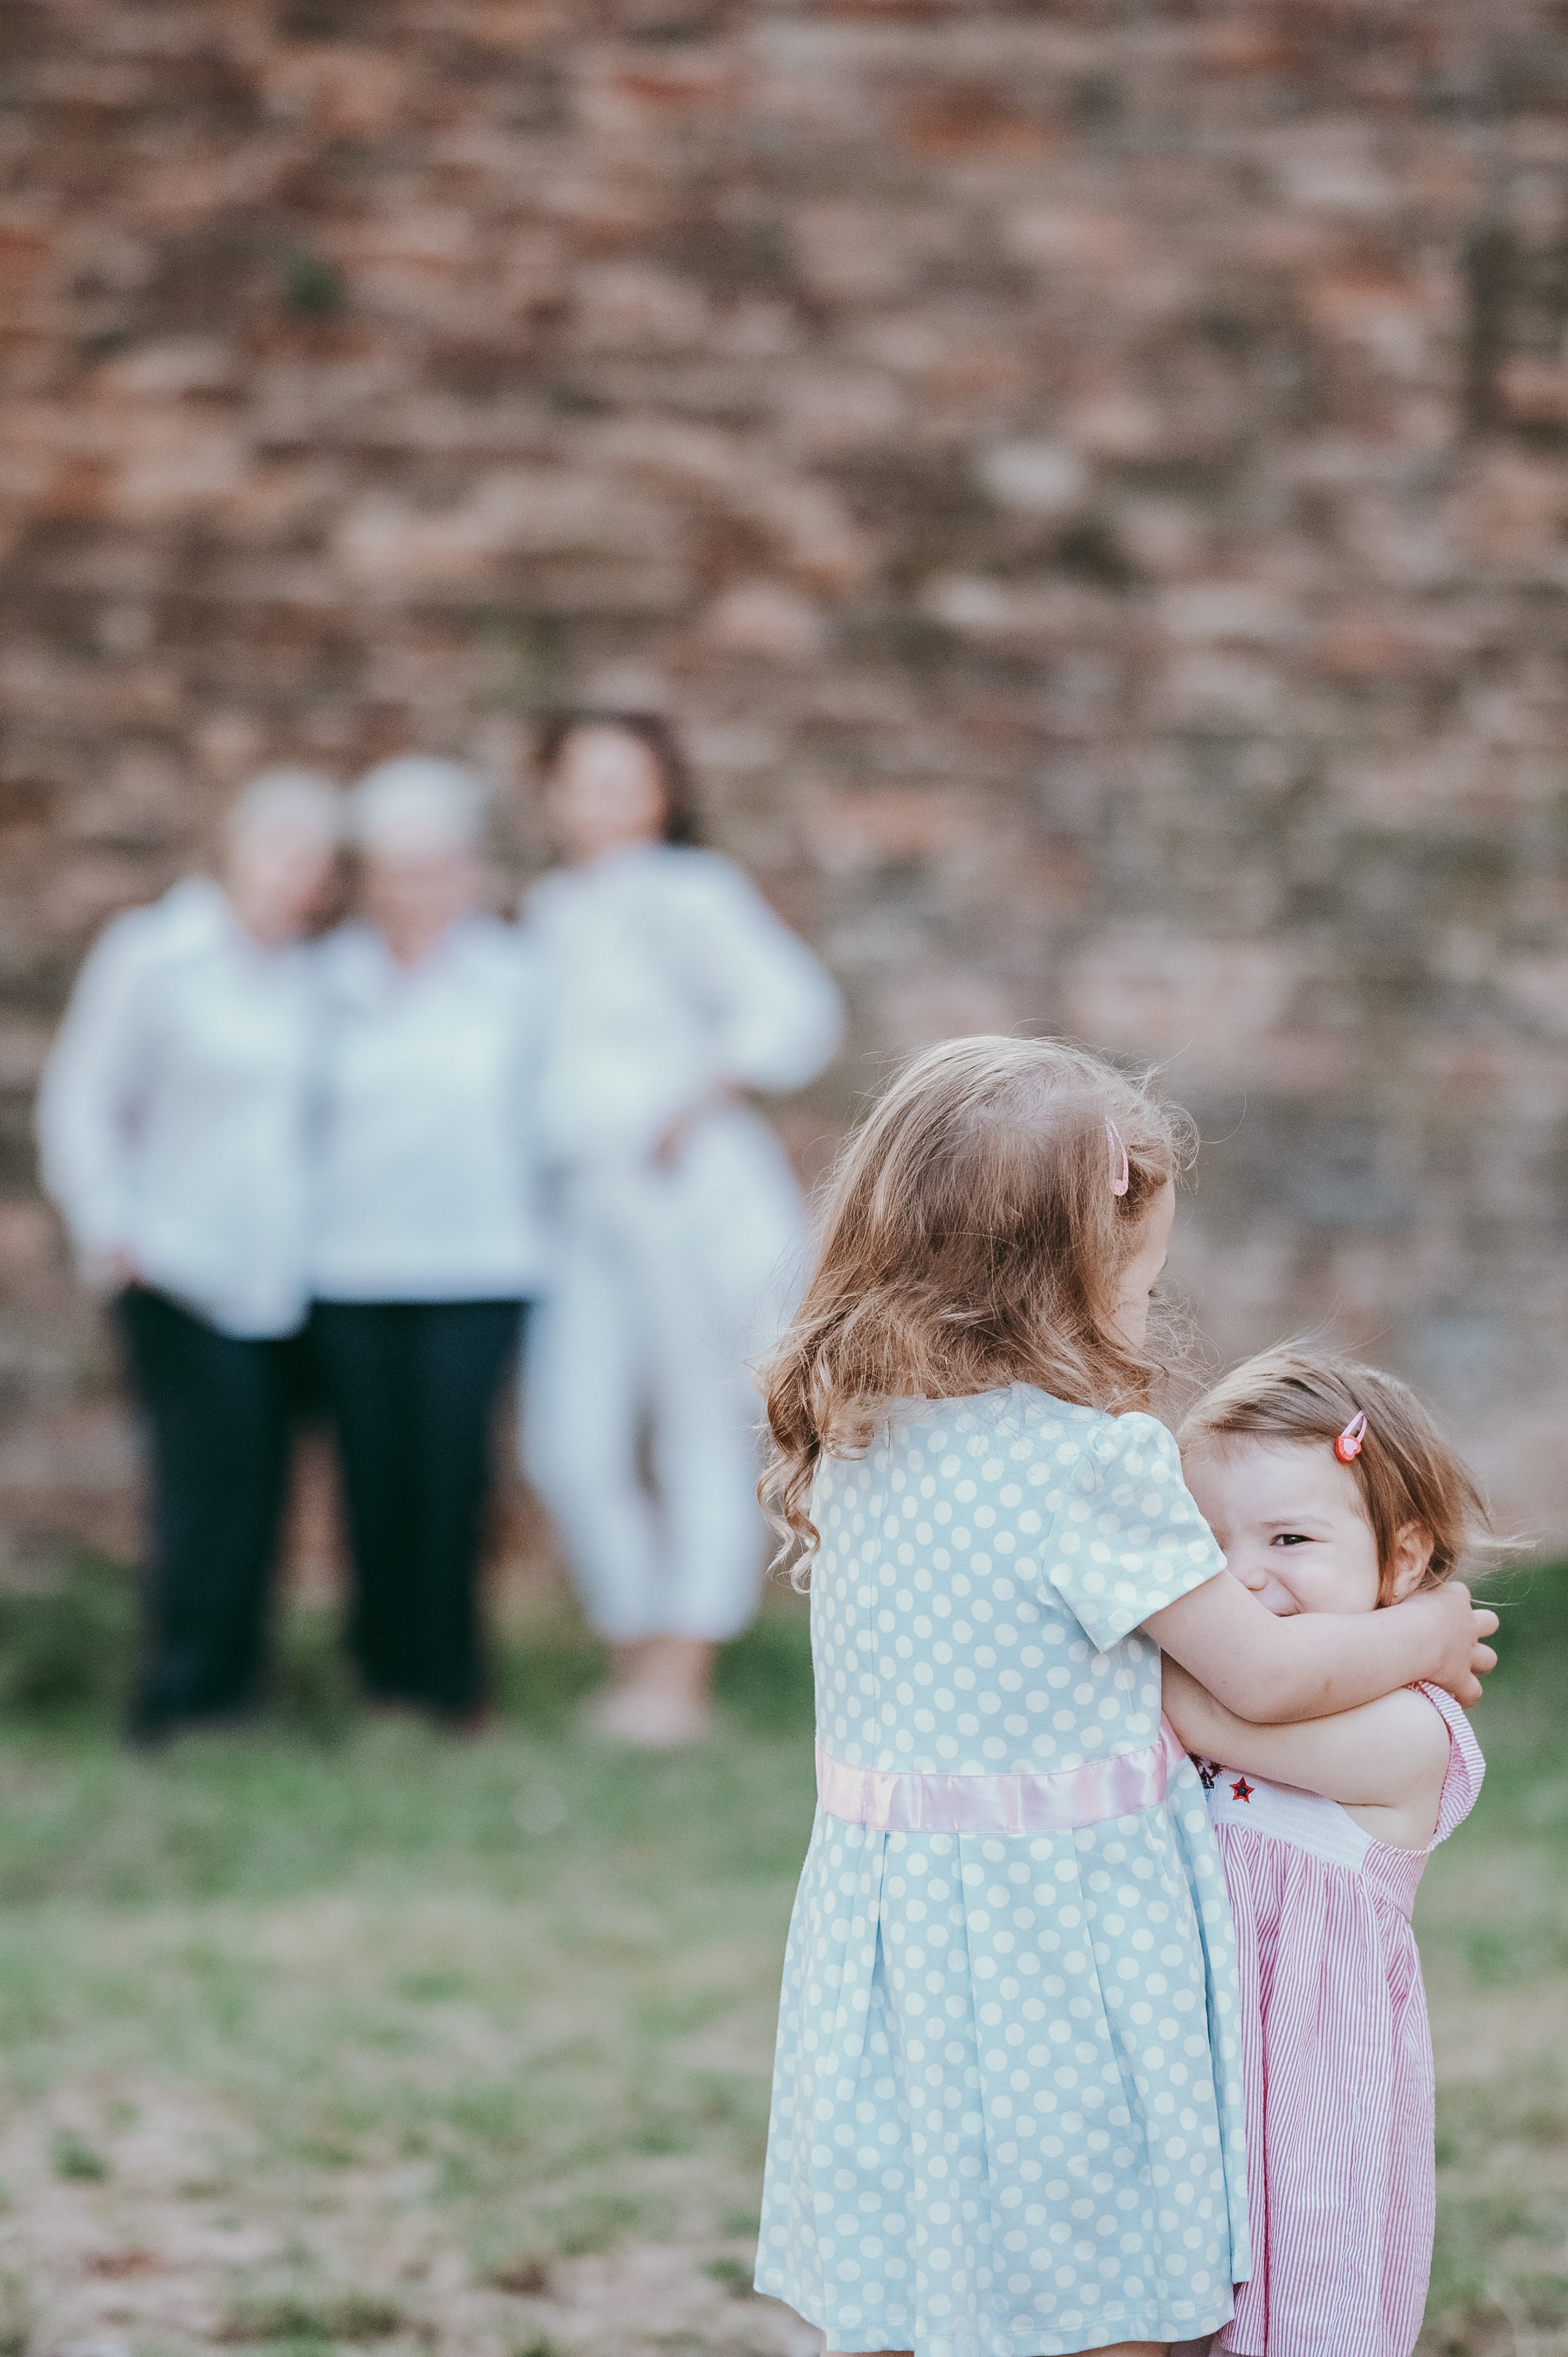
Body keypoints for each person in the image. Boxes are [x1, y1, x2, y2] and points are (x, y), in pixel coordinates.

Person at [750, 1036, 1498, 2357]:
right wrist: (1428, 1627)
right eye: (1136, 1282)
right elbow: (1255, 1677)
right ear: (1067, 1274)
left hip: (888, 1933)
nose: (1145, 1314)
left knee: (913, 2268)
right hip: (1060, 1937)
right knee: (1099, 2297)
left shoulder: (857, 1433)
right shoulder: (1090, 1467)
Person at [1160, 1349, 1494, 2357]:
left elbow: (1198, 1709)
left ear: (1402, 1558)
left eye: (1290, 1539)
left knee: (1300, 2316)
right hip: (1189, 2076)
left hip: (1309, 2102)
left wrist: (1430, 1635)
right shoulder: (1239, 1675)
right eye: (1208, 1547)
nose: (1242, 1577)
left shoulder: (1413, 1731)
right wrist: (1429, 1624)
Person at [521, 712, 843, 1749]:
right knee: (568, 1439)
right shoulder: (547, 911)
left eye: (629, 780)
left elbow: (796, 1013)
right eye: (585, 780)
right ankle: (632, 1643)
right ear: (552, 796)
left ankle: (683, 1673)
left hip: (681, 1191)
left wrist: (693, 1096)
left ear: (663, 794)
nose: (606, 801)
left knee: (697, 1426)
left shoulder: (690, 893)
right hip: (584, 1203)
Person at [36, 770, 342, 1743]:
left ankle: (238, 1691)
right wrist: (108, 1227)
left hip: (280, 1281)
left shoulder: (308, 977)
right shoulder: (153, 954)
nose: (302, 880)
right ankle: (175, 1698)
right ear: (236, 851)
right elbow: (81, 1100)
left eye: (319, 865)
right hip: (171, 1269)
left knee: (260, 1487)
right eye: (285, 855)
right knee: (199, 1487)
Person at [309, 755, 547, 1727]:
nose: (421, 888)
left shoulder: (515, 975)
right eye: (401, 868)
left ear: (470, 870)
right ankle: (381, 1676)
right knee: (369, 1478)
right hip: (348, 1266)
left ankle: (455, 1682)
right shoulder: (326, 977)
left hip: (480, 1263)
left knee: (455, 1478)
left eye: (440, 865)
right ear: (370, 876)